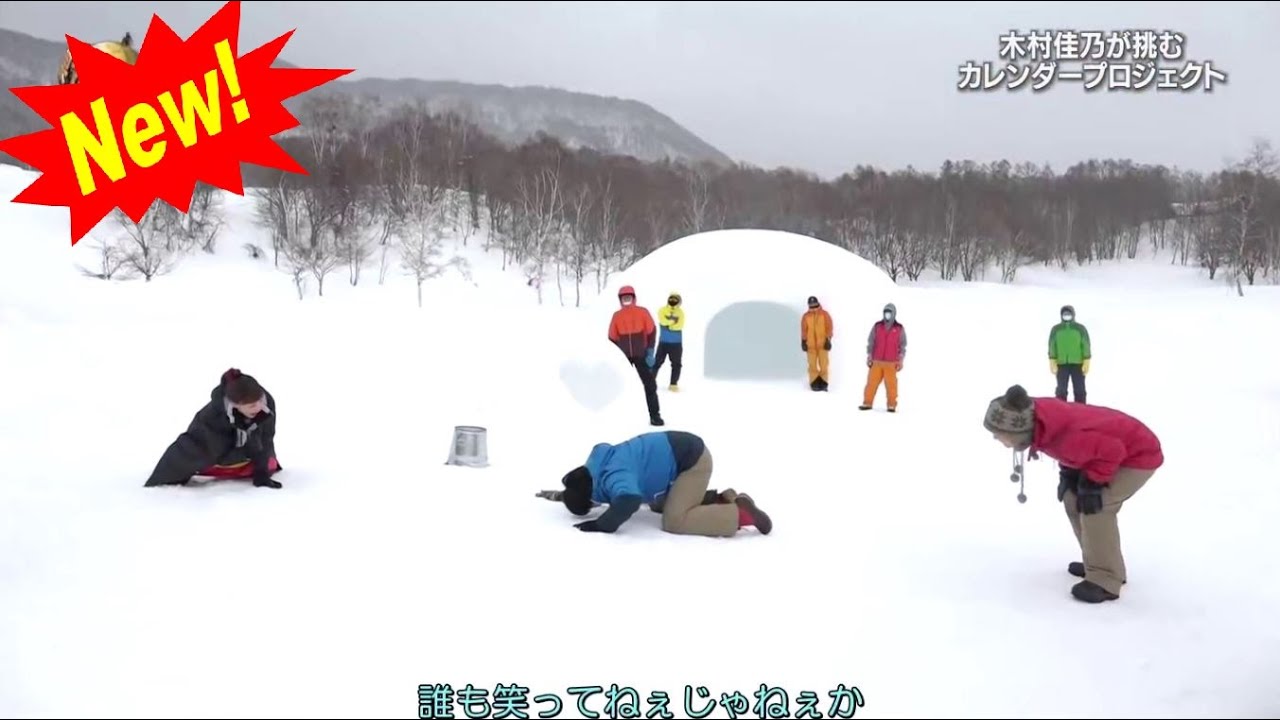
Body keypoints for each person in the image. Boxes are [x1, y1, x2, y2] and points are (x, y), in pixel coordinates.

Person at [983, 384, 1163, 604]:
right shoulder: (1037, 419)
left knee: (1097, 506)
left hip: (1138, 456)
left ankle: (1106, 578)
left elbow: (1111, 450)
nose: (999, 441)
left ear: (1020, 431)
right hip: (1108, 452)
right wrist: (1069, 473)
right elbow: (1074, 448)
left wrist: (1094, 482)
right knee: (1073, 499)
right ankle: (1095, 562)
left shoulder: (1066, 434)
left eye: (1000, 436)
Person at [558, 430, 773, 537]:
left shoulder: (613, 476)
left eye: (592, 505)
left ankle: (742, 514)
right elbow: (578, 486)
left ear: (590, 496)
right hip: (679, 451)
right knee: (658, 504)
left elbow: (629, 500)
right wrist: (562, 494)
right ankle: (722, 500)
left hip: (692, 462)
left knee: (674, 521)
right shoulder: (597, 461)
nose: (597, 505)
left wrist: (601, 524)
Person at [144, 368, 284, 489]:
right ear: (236, 405)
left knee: (269, 464)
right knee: (194, 463)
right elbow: (205, 448)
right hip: (220, 457)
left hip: (246, 453)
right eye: (252, 406)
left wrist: (262, 473)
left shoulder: (266, 405)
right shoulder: (212, 416)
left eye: (260, 401)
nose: (259, 407)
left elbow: (266, 438)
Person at [608, 285, 664, 426]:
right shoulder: (617, 316)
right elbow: (612, 338)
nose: (626, 299)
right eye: (624, 297)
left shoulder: (642, 312)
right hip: (624, 357)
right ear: (620, 299)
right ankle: (614, 418)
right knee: (616, 386)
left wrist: (650, 351)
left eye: (629, 297)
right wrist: (614, 356)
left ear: (634, 298)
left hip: (641, 355)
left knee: (650, 385)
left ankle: (655, 416)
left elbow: (652, 331)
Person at [860, 302, 907, 412]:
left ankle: (891, 405)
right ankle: (867, 403)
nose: (887, 315)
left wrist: (900, 360)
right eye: (886, 312)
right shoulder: (877, 326)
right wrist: (869, 355)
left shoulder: (899, 328)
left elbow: (902, 345)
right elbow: (871, 341)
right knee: (871, 383)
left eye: (889, 313)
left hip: (891, 363)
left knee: (891, 385)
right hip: (876, 361)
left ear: (894, 314)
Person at [1048, 304, 1091, 404]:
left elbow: (1085, 344)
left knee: (1079, 389)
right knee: (1061, 390)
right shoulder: (1056, 329)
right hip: (1061, 363)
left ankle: (1080, 408)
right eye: (1064, 314)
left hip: (1078, 363)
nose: (1067, 316)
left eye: (1068, 314)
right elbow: (1052, 345)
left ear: (1073, 314)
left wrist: (1086, 359)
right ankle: (1061, 408)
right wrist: (1052, 360)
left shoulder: (1080, 329)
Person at [653, 290, 685, 392]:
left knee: (676, 364)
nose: (673, 301)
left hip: (676, 343)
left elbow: (680, 325)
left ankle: (673, 384)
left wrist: (668, 325)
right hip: (663, 342)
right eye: (671, 299)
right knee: (657, 362)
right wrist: (672, 322)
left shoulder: (681, 313)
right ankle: (650, 382)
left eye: (676, 299)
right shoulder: (662, 310)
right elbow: (662, 321)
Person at [801, 295, 834, 391]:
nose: (813, 306)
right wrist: (803, 341)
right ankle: (814, 381)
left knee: (824, 364)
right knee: (812, 364)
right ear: (809, 305)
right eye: (811, 304)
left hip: (823, 345)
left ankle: (824, 381)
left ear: (817, 303)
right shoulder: (806, 316)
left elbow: (829, 327)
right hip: (810, 346)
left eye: (814, 303)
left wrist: (828, 340)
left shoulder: (824, 314)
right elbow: (803, 330)